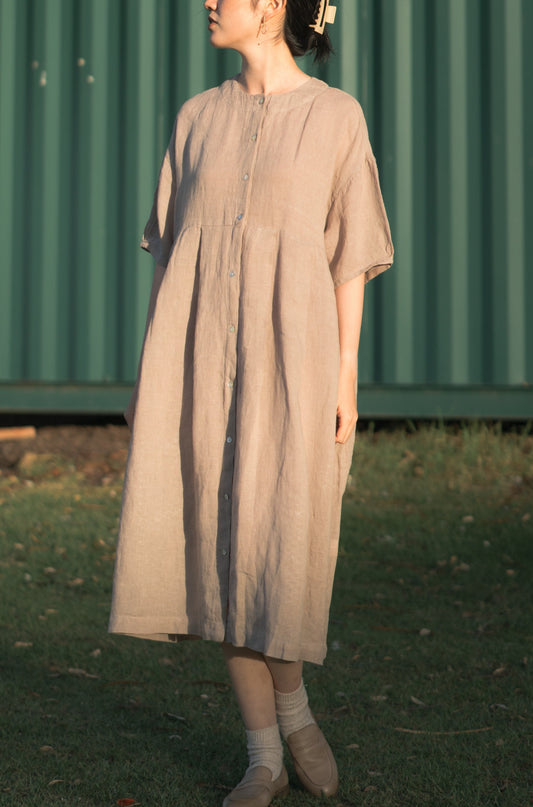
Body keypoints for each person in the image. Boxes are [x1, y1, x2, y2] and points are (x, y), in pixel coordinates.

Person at [109, 0, 393, 804]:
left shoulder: (336, 118)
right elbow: (169, 259)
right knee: (213, 543)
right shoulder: (196, 118)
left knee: (277, 541)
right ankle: (263, 750)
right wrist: (147, 377)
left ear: (272, 6)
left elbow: (350, 256)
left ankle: (295, 708)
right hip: (195, 365)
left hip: (293, 365)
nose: (208, 1)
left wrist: (344, 376)